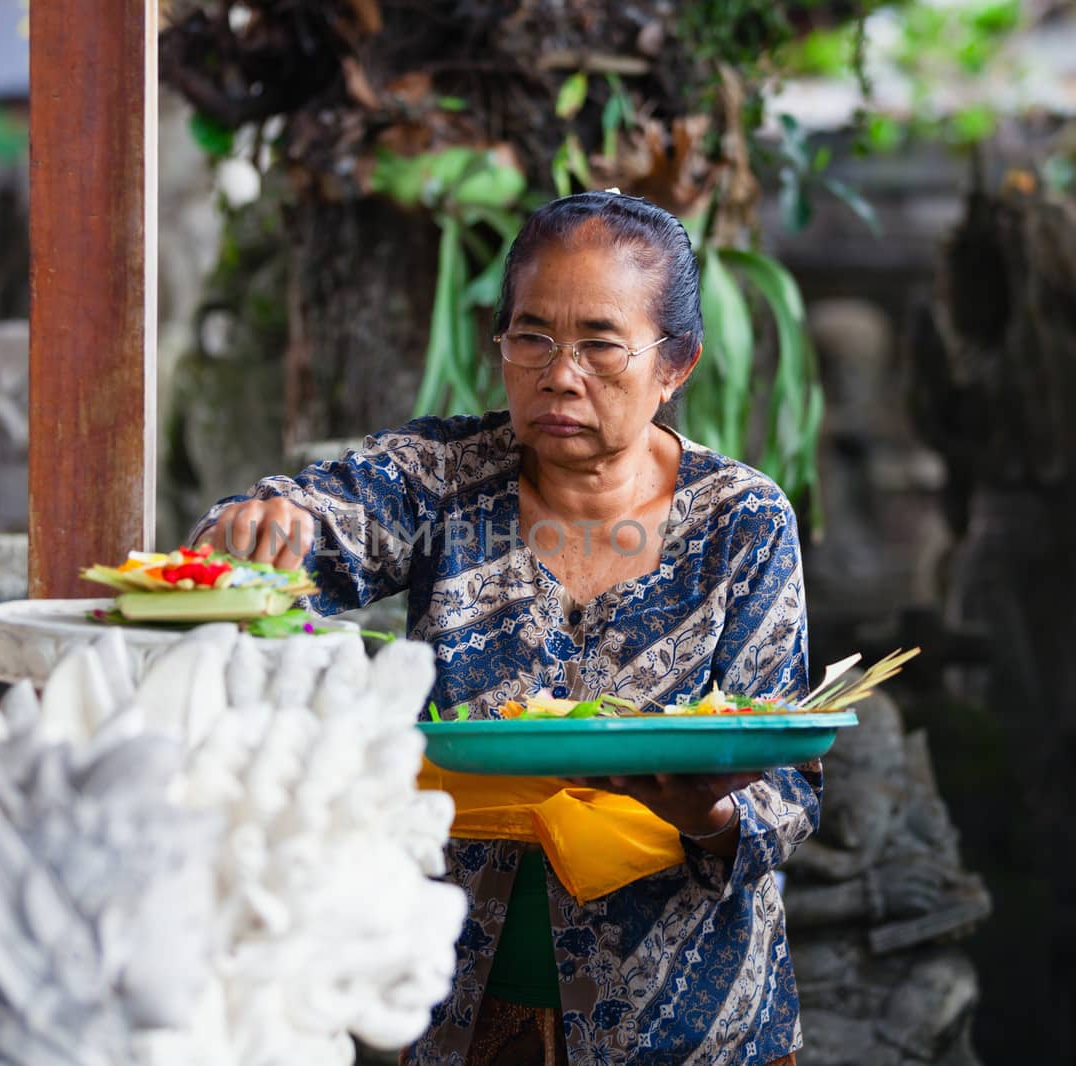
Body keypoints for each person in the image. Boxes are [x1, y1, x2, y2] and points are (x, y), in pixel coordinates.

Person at [192, 191, 818, 1065]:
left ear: (677, 364)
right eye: (532, 339)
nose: (561, 374)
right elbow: (311, 518)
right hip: (464, 1014)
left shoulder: (741, 521)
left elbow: (786, 787)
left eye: (601, 344)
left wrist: (708, 811)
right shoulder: (444, 480)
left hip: (687, 1029)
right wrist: (263, 526)